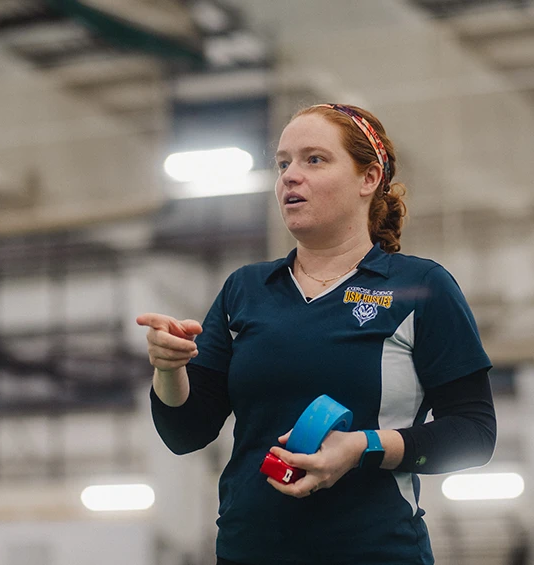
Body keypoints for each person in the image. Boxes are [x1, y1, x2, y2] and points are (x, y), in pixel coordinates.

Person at [137, 103, 497, 565]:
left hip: (375, 552)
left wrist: (362, 447)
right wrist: (169, 371)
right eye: (283, 162)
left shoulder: (420, 287)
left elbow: (474, 434)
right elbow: (185, 432)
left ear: (369, 179)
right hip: (248, 551)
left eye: (314, 159)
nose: (290, 176)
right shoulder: (244, 290)